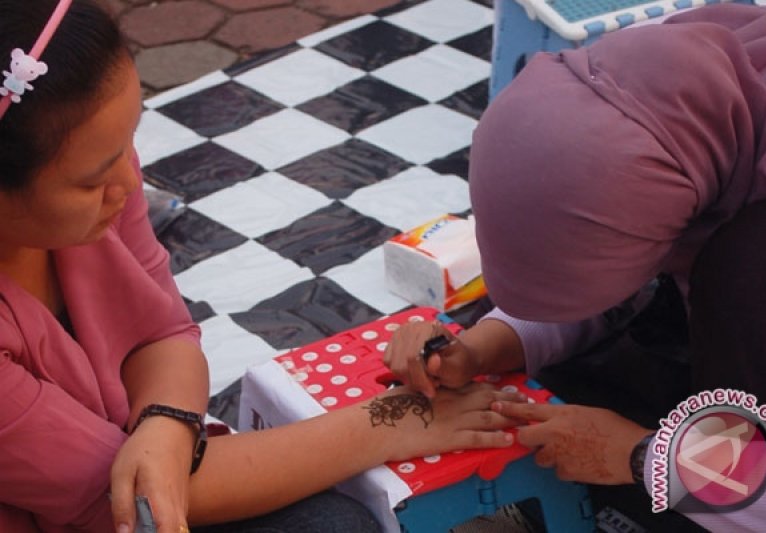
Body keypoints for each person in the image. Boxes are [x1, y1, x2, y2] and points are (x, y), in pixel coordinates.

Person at [0, 1, 529, 532]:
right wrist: (392, 420)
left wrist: (167, 423)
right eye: (91, 181)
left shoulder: (102, 186)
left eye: (130, 141)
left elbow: (163, 333)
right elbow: (131, 501)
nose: (131, 183)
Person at [385, 1, 766, 531]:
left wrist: (644, 459)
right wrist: (481, 346)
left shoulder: (761, 245)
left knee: (747, 264)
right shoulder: (677, 93)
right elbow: (617, 273)